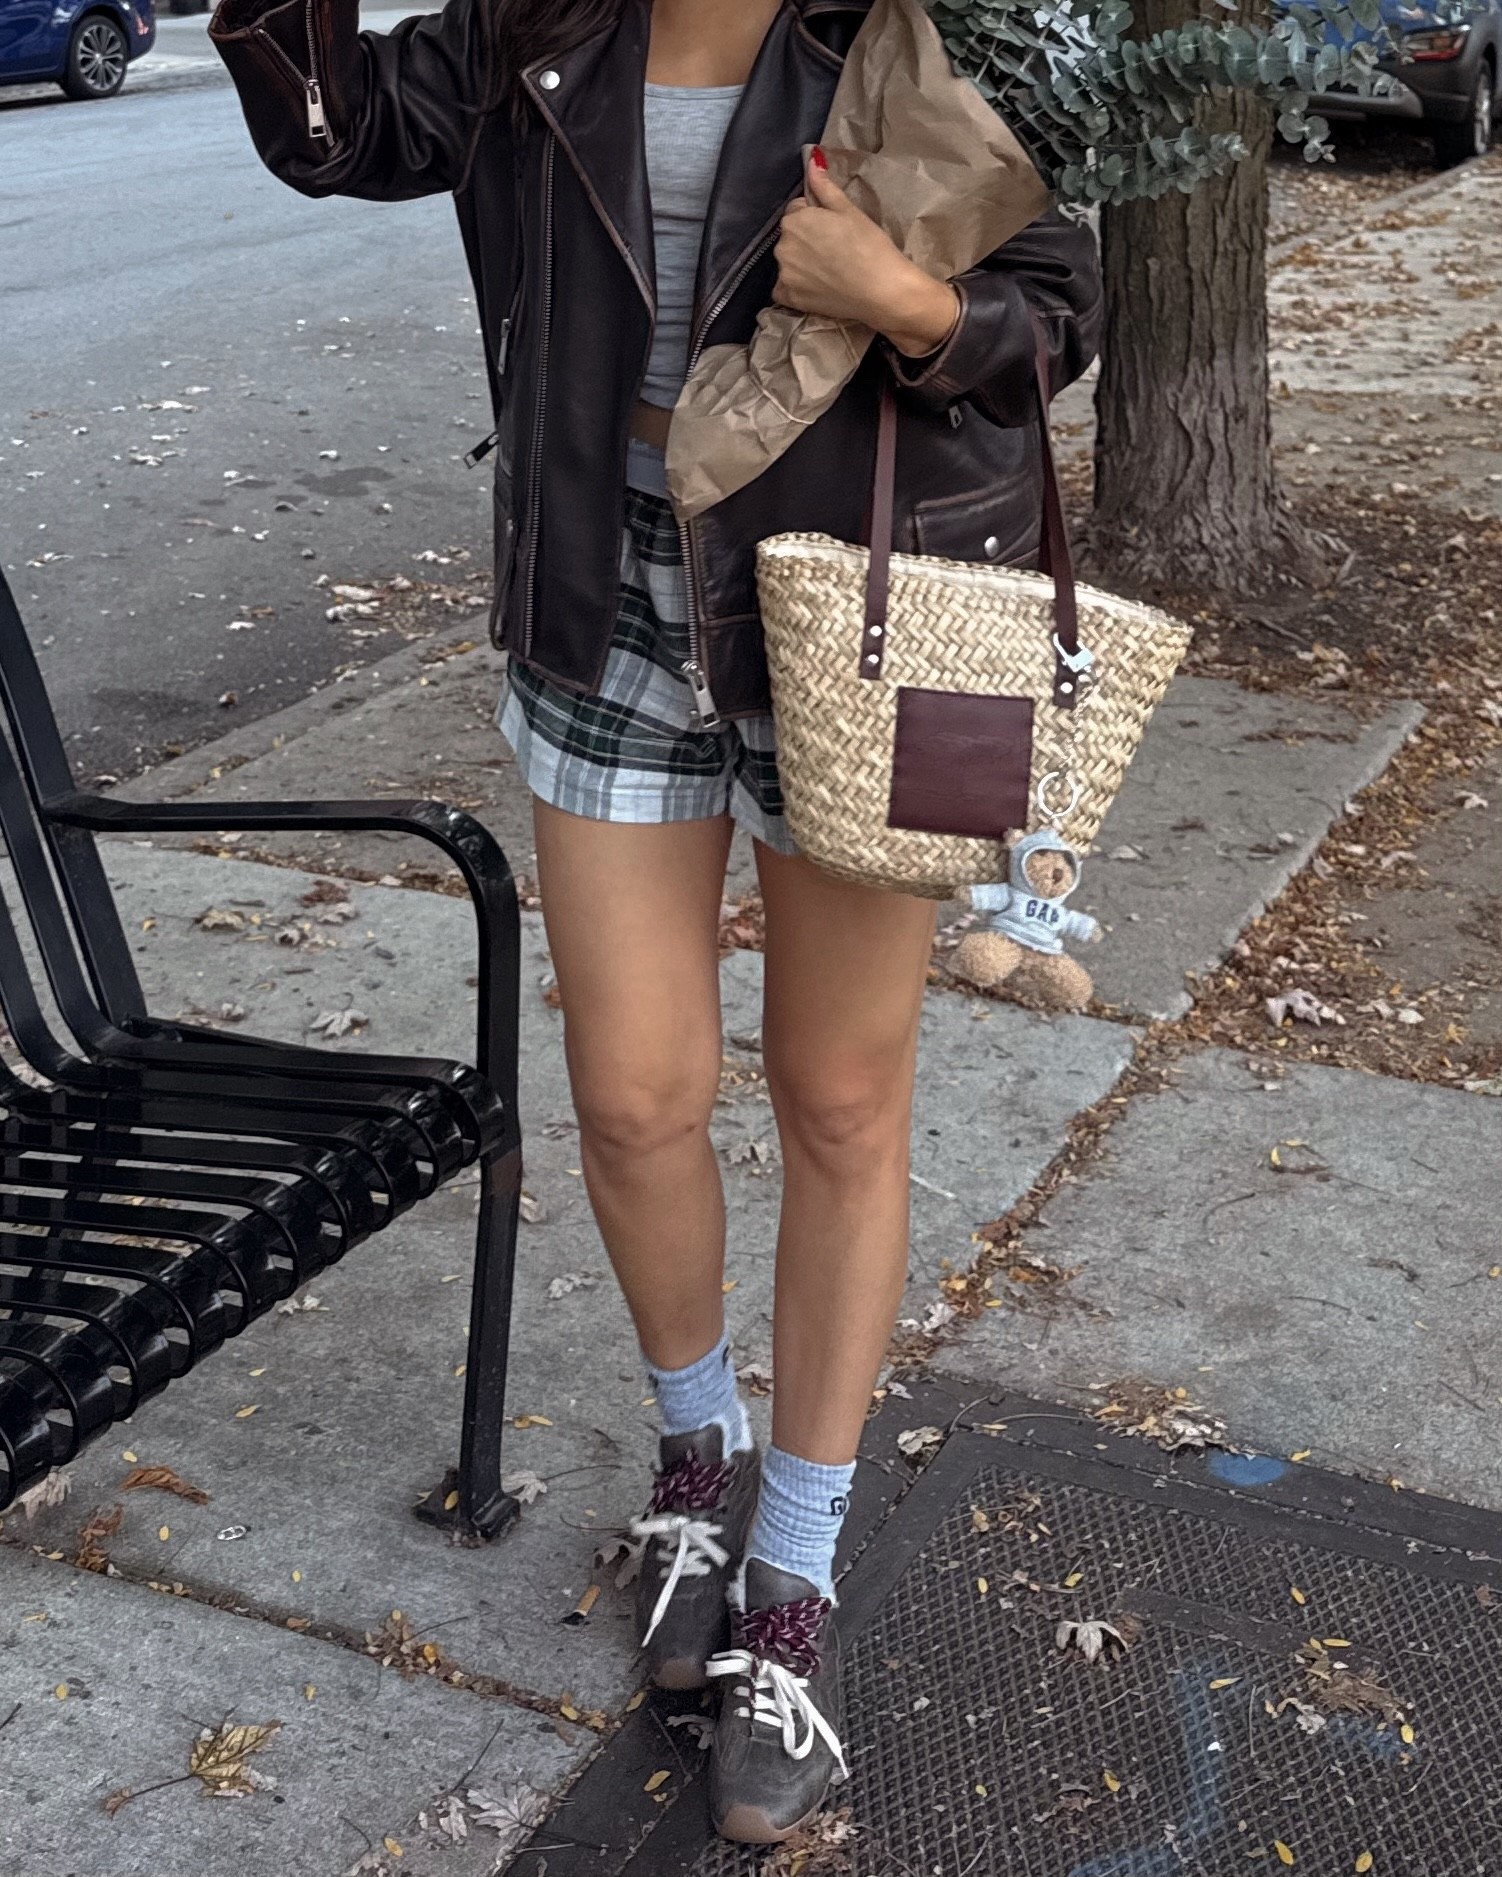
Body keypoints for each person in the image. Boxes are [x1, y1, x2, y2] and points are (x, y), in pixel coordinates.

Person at [210, 0, 1102, 1842]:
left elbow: (1055, 311)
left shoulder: (904, 33)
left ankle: (795, 1564)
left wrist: (905, 300)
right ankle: (698, 1460)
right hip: (600, 612)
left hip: (847, 617)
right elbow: (330, 130)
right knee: (629, 1096)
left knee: (837, 1100)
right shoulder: (533, 30)